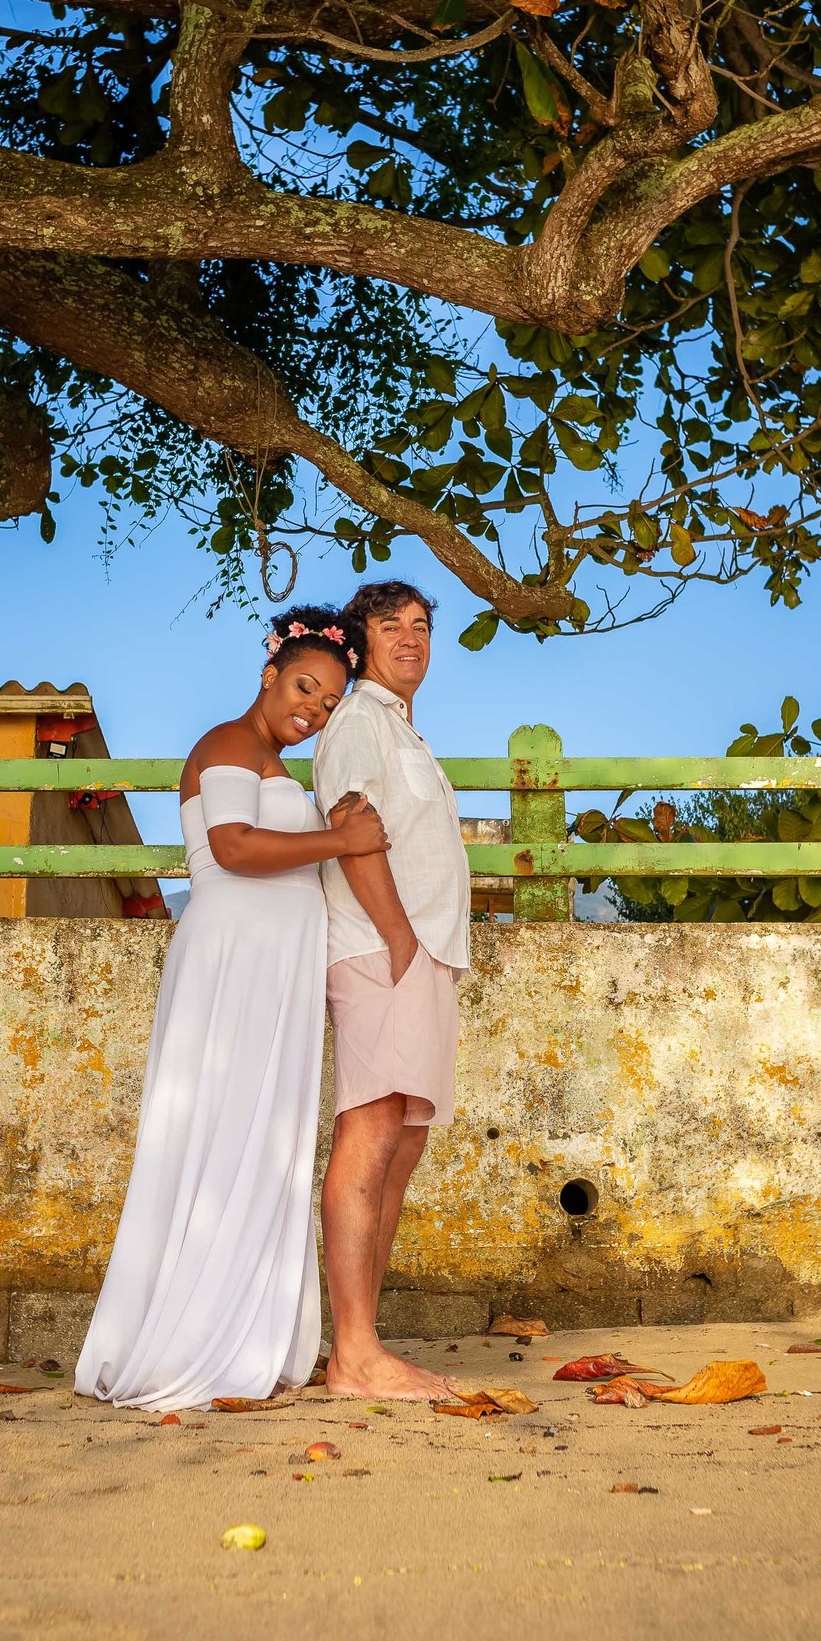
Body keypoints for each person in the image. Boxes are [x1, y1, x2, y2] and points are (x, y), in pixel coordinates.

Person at [75, 605, 388, 1411]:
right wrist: (341, 841)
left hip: (278, 971)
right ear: (270, 675)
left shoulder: (284, 768)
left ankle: (248, 1330)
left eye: (327, 705)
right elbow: (234, 848)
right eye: (304, 689)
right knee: (217, 1135)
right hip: (231, 961)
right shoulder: (227, 743)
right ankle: (186, 1337)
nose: (311, 711)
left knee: (266, 1141)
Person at [312, 582, 471, 1401]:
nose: (410, 638)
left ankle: (361, 1345)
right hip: (383, 949)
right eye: (390, 626)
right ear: (361, 641)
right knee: (369, 1137)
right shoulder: (359, 722)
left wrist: (427, 948)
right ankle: (353, 1355)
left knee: (401, 1150)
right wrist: (402, 939)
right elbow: (350, 827)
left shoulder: (406, 730)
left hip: (422, 954)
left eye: (421, 626)